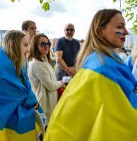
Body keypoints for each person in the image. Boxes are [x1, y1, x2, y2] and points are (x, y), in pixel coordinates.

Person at [43, 9, 137, 141]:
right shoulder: (104, 66)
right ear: (100, 31)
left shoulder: (96, 60)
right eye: (120, 27)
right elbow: (121, 119)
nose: (126, 32)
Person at [0, 30, 44, 141]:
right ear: (12, 44)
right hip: (6, 131)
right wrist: (29, 104)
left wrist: (31, 103)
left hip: (23, 121)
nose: (28, 50)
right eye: (25, 45)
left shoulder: (20, 67)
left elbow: (26, 91)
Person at [27, 33, 65, 124]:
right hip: (44, 104)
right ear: (35, 46)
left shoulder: (44, 60)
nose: (46, 46)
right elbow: (51, 86)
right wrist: (61, 82)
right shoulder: (36, 64)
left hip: (50, 102)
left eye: (48, 44)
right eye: (42, 44)